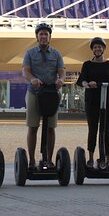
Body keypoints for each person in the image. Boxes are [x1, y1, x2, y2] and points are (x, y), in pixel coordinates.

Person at [22, 23, 65, 169]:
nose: (43, 36)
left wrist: (61, 80)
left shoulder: (56, 54)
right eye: (41, 34)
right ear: (37, 37)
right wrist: (32, 79)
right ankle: (32, 161)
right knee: (33, 126)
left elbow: (62, 71)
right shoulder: (30, 53)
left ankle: (49, 160)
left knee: (51, 127)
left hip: (52, 93)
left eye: (46, 34)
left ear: (50, 37)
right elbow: (25, 71)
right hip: (35, 92)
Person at [76, 37, 109, 168]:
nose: (98, 49)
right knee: (93, 129)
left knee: (106, 129)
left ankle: (107, 159)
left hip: (107, 100)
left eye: (100, 47)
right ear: (92, 49)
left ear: (104, 49)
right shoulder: (87, 65)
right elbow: (82, 81)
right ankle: (90, 159)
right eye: (95, 47)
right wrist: (87, 83)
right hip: (92, 101)